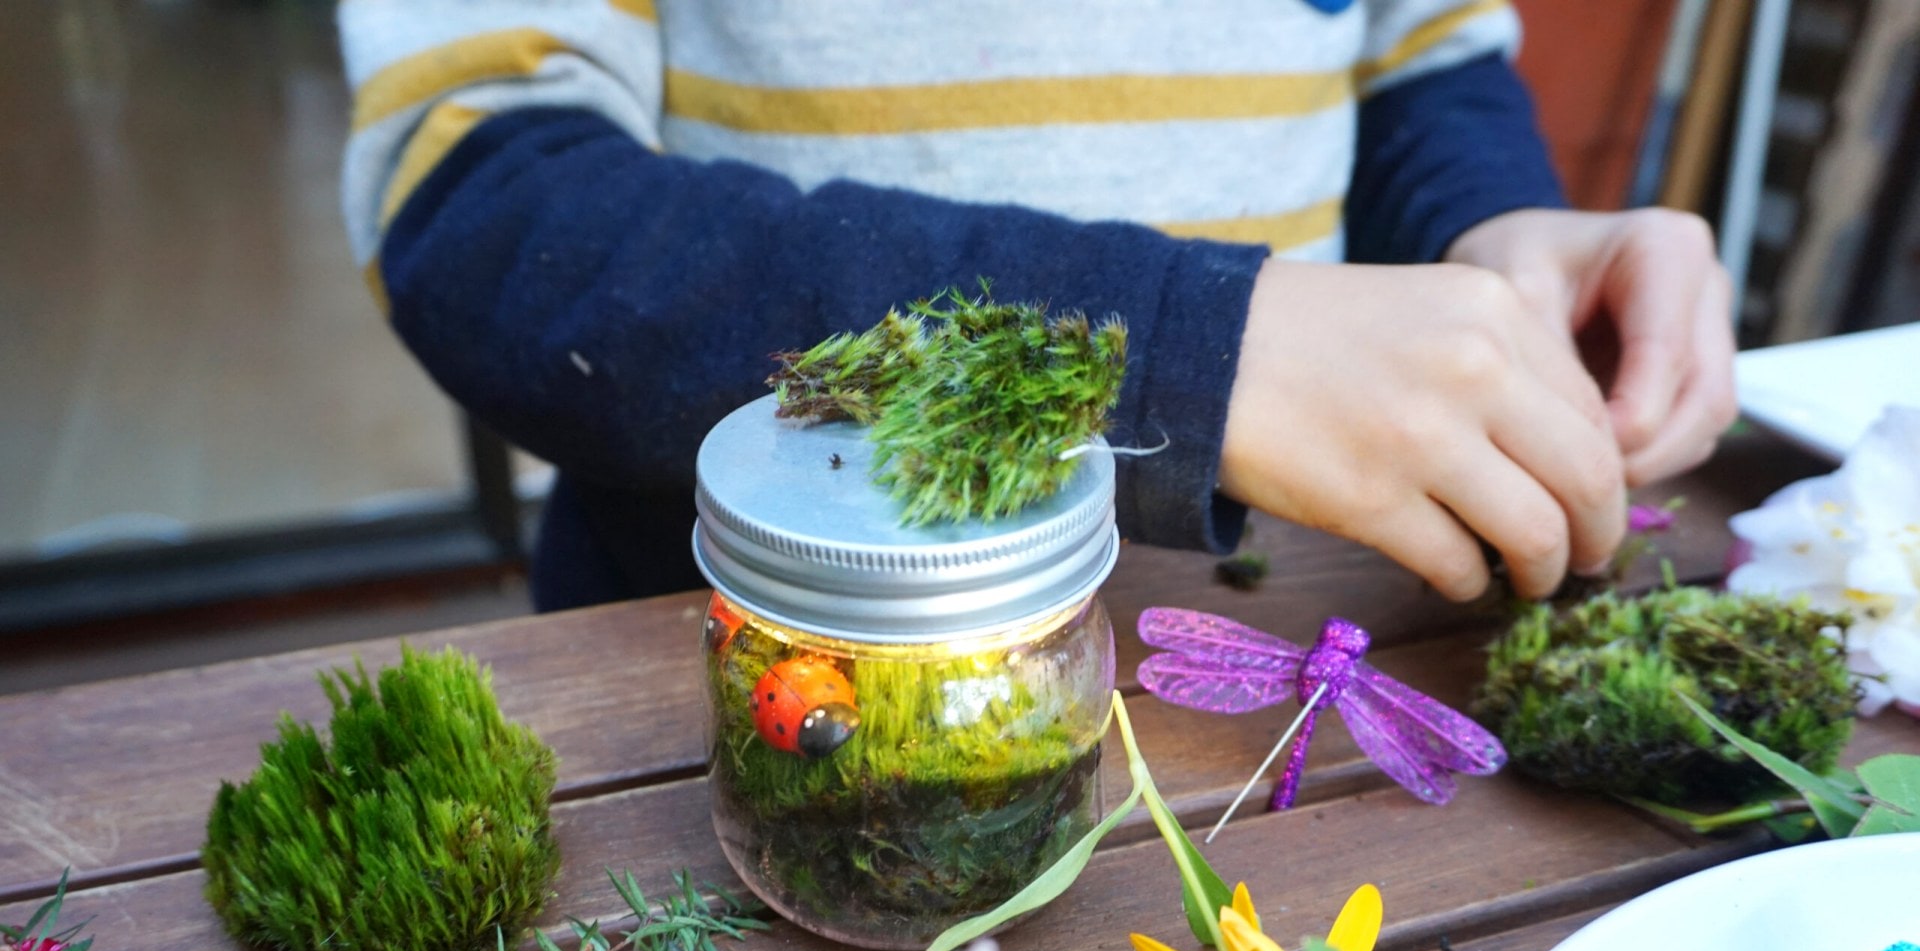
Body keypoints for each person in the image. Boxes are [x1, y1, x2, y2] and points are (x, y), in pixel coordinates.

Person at [338, 0, 1736, 611]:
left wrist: (1498, 228)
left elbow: (1418, 55)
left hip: (1299, 628)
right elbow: (482, 199)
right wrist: (1179, 354)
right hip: (766, 676)